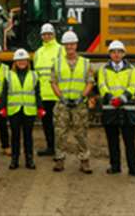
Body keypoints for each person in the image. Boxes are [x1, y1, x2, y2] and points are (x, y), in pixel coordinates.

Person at [98, 40, 135, 178]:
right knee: (112, 141)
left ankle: (133, 168)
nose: (116, 54)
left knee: (129, 141)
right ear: (110, 54)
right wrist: (111, 98)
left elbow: (132, 86)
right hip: (110, 109)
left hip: (127, 110)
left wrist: (121, 99)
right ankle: (115, 166)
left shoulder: (132, 69)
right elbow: (102, 86)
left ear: (123, 53)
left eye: (119, 52)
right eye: (113, 52)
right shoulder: (103, 70)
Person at [51, 31, 93, 174]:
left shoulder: (86, 63)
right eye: (67, 44)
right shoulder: (56, 63)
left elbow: (90, 82)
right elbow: (54, 82)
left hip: (79, 104)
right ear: (63, 46)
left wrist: (82, 97)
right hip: (63, 104)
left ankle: (85, 161)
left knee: (81, 133)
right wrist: (61, 97)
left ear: (76, 45)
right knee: (60, 133)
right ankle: (59, 159)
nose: (69, 46)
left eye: (72, 44)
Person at [1, 48, 44, 170]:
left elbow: (37, 93)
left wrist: (40, 107)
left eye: (24, 60)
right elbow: (4, 93)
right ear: (15, 62)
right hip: (14, 110)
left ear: (27, 61)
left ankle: (29, 159)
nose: (21, 62)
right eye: (19, 60)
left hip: (28, 110)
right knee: (15, 136)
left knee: (28, 136)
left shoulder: (34, 75)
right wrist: (3, 107)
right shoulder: (8, 75)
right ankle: (14, 159)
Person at [33, 23, 64, 157]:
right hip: (43, 96)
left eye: (49, 34)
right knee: (46, 124)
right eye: (44, 34)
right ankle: (50, 147)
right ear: (41, 36)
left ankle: (59, 149)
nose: (47, 36)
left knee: (58, 125)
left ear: (53, 35)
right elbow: (36, 73)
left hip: (56, 94)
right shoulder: (38, 52)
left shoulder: (60, 50)